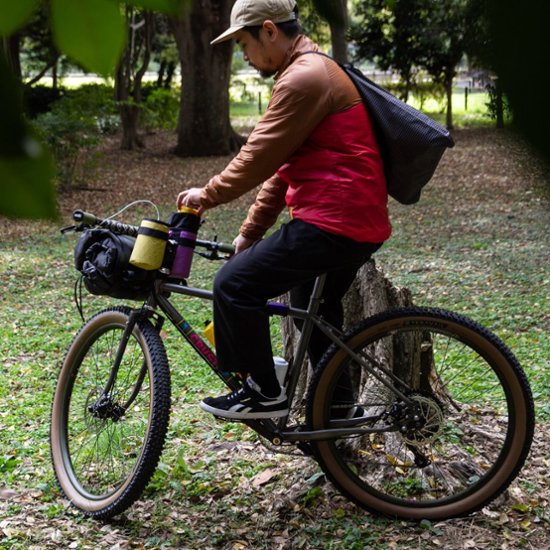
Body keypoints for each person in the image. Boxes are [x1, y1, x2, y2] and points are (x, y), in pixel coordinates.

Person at [177, 0, 391, 420]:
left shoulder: (304, 77)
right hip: (352, 220)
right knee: (309, 305)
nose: (244, 54)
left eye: (244, 43)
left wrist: (209, 193)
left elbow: (258, 156)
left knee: (234, 284)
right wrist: (251, 231)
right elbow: (281, 167)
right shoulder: (308, 71)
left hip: (333, 220)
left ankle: (264, 393)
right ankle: (338, 409)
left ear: (270, 31)